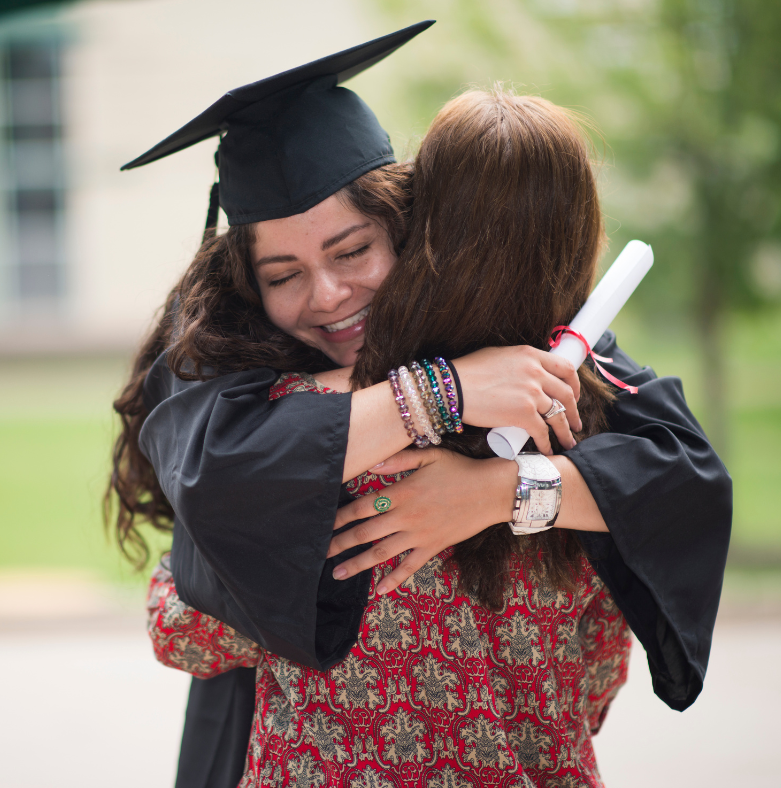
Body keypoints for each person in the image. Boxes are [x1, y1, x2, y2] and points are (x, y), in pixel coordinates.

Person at [109, 21, 731, 788]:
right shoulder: (221, 362)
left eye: (352, 250)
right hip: (250, 725)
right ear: (246, 285)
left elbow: (681, 470)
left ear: (407, 227)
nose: (328, 296)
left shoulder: (533, 355)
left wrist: (499, 491)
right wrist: (447, 392)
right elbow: (210, 527)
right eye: (282, 275)